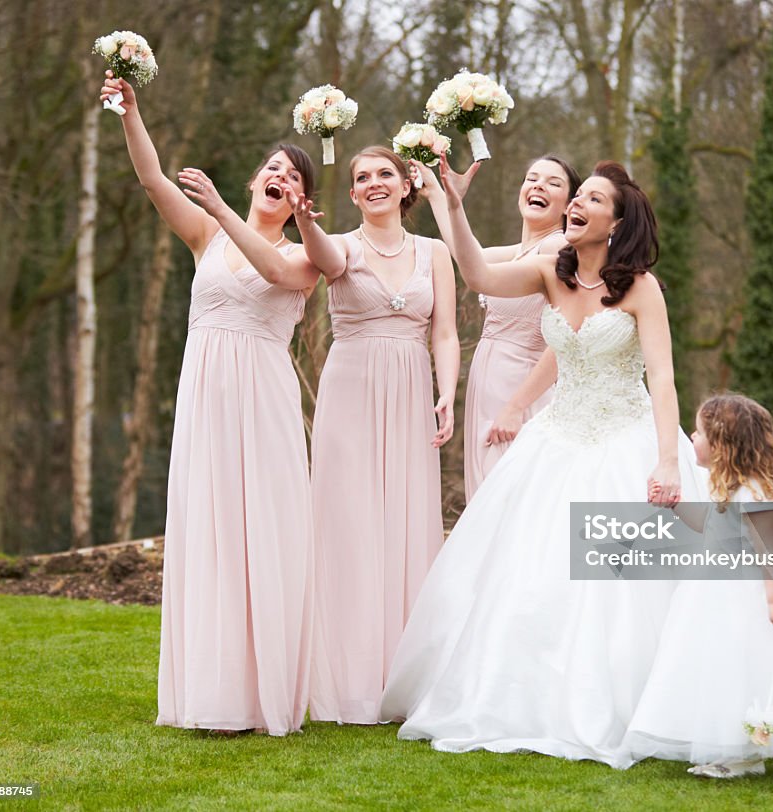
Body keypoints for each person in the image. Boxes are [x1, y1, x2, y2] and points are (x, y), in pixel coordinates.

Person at [379, 157, 706, 768]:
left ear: (616, 221)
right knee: (526, 573)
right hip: (555, 441)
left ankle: (632, 706)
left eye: (592, 199)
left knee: (618, 588)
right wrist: (452, 203)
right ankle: (520, 698)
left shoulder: (641, 287)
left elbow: (661, 378)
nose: (577, 203)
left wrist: (666, 461)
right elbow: (477, 274)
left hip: (623, 439)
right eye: (576, 195)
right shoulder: (549, 273)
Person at [101, 72, 332, 736]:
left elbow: (272, 274)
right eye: (270, 166)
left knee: (259, 531)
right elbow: (151, 180)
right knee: (209, 532)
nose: (275, 175)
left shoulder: (305, 254)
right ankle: (212, 692)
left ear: (299, 199)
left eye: (289, 175)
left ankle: (262, 696)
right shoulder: (207, 236)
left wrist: (228, 211)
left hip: (262, 403)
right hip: (204, 397)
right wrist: (131, 113)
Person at [299, 146, 460, 724]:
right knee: (350, 522)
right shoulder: (339, 245)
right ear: (352, 194)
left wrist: (446, 391)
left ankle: (406, 674)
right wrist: (303, 221)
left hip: (413, 385)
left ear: (404, 185)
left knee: (408, 520)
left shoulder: (435, 252)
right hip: (351, 388)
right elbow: (321, 258)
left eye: (383, 174)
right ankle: (347, 680)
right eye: (361, 178)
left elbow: (445, 332)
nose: (372, 184)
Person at [625, 393, 773, 776]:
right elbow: (710, 526)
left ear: (723, 443)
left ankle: (745, 755)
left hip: (745, 595)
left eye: (699, 433)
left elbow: (767, 552)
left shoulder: (754, 492)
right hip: (713, 590)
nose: (692, 439)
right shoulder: (726, 485)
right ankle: (729, 745)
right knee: (717, 665)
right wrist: (674, 504)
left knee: (742, 665)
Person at [419, 155, 581, 499]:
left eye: (553, 183)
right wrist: (441, 195)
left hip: (520, 391)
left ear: (569, 205)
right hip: (489, 385)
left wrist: (517, 407)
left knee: (509, 500)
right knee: (488, 499)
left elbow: (568, 337)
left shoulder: (558, 248)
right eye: (532, 178)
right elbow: (466, 256)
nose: (538, 185)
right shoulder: (520, 252)